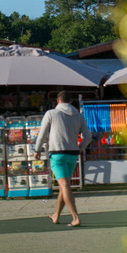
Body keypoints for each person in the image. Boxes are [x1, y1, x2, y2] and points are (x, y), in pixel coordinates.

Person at [32, 91, 92, 227]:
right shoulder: (79, 116)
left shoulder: (51, 114)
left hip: (57, 153)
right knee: (64, 186)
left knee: (64, 186)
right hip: (72, 154)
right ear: (70, 101)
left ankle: (75, 217)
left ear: (58, 101)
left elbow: (42, 134)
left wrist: (37, 150)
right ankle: (56, 215)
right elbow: (88, 137)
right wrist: (79, 149)